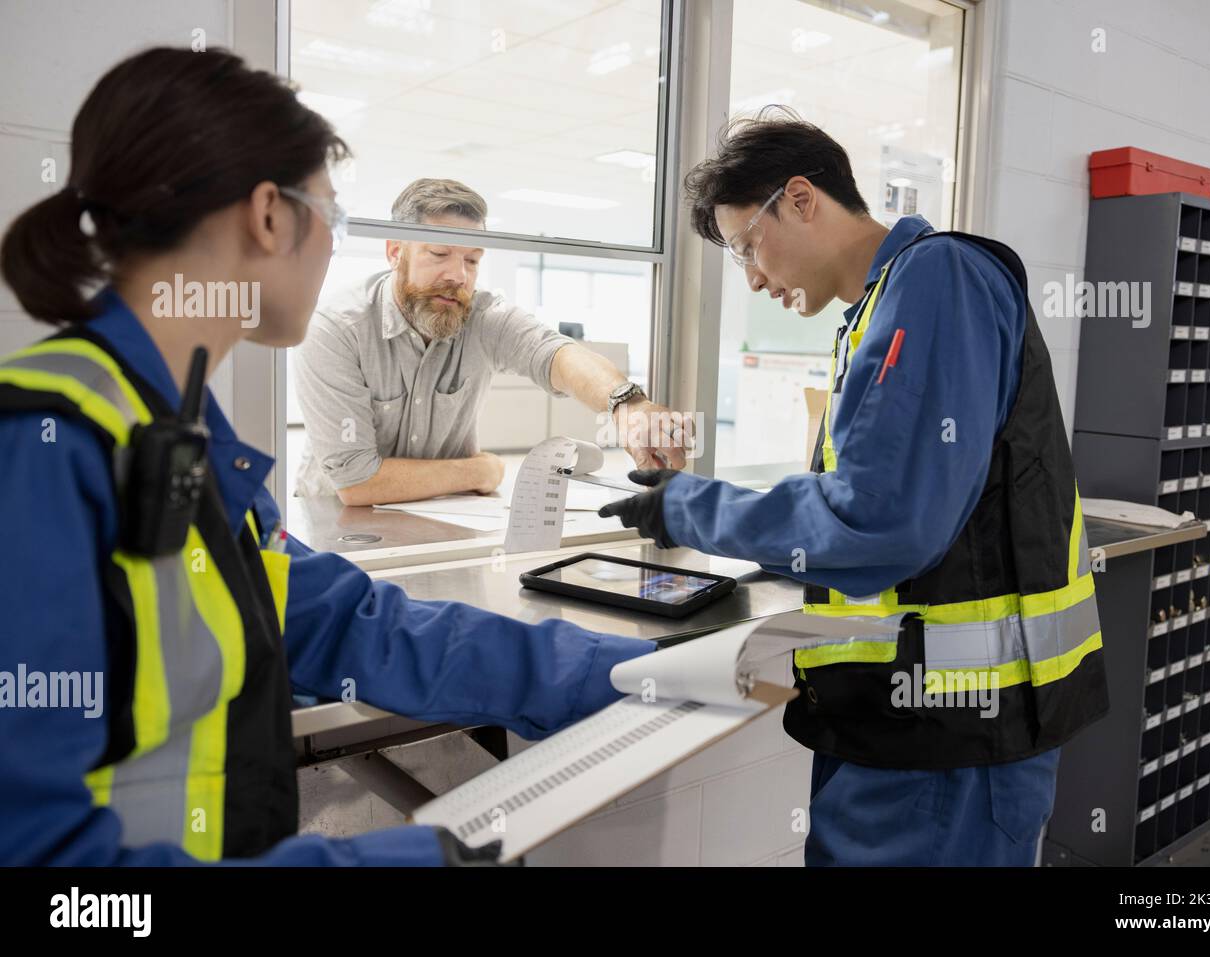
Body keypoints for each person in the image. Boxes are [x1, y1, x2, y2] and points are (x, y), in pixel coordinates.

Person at [0, 46, 652, 866]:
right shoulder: (40, 447)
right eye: (331, 218)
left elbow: (344, 622)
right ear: (270, 216)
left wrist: (627, 673)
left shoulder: (179, 434)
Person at [601, 108, 1109, 866]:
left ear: (801, 198)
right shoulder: (878, 308)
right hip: (910, 725)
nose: (754, 277)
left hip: (952, 740)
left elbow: (883, 519)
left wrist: (687, 506)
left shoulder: (938, 278)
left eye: (749, 247)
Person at [293, 177, 686, 506]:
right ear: (396, 251)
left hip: (441, 515)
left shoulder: (481, 316)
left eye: (472, 260)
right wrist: (480, 470)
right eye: (439, 253)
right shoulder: (336, 329)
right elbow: (357, 483)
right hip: (336, 528)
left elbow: (558, 355)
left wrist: (628, 404)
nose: (458, 275)